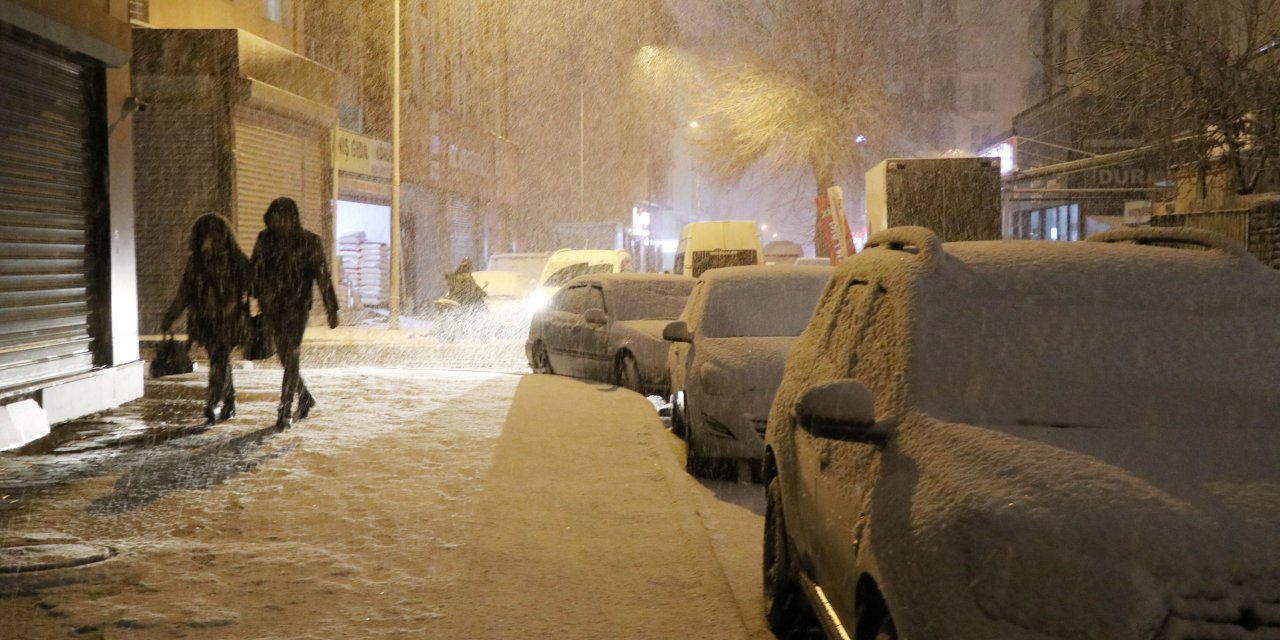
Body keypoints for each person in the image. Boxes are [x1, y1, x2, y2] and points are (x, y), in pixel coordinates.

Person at [250, 197, 340, 430]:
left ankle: (285, 408)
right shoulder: (265, 239)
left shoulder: (309, 242)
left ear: (293, 218)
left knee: (290, 355)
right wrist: (255, 294)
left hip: (297, 309)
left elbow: (323, 277)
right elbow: (254, 271)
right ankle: (305, 396)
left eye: (284, 217)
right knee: (285, 357)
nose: (280, 222)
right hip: (272, 308)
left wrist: (332, 308)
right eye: (276, 217)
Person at [161, 214, 251, 425]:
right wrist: (171, 316)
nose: (213, 238)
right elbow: (185, 292)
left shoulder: (236, 259)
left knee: (219, 360)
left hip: (229, 322)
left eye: (217, 233)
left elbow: (249, 286)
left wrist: (234, 302)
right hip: (205, 321)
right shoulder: (197, 262)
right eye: (208, 234)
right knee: (220, 361)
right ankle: (228, 399)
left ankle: (213, 401)